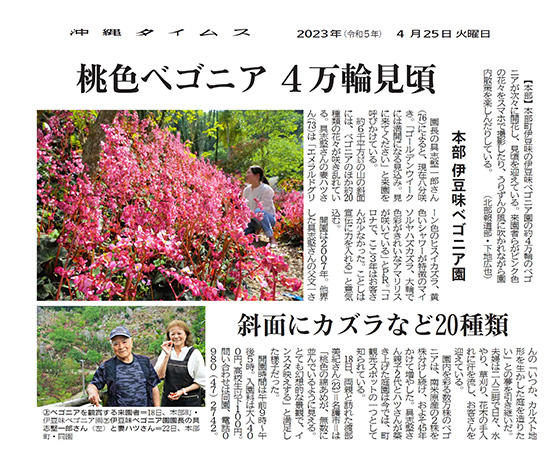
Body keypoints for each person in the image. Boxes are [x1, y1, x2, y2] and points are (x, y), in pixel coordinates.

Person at [87, 326, 161, 407]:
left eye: (124, 342)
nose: (121, 347)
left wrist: (157, 411)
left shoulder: (144, 362)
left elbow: (154, 387)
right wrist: (92, 392)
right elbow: (93, 385)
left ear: (131, 342)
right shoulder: (107, 366)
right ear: (112, 346)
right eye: (116, 344)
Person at [154, 320, 206, 407]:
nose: (176, 336)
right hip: (168, 403)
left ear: (186, 335)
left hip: (189, 403)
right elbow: (159, 376)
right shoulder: (166, 352)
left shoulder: (194, 354)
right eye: (172, 334)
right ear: (169, 336)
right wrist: (167, 355)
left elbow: (201, 381)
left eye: (179, 333)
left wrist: (182, 391)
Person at [243, 165, 278, 247]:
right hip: (252, 220)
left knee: (258, 211)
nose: (246, 175)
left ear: (257, 175)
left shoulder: (266, 189)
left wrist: (251, 214)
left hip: (268, 218)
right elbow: (244, 207)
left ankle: (272, 238)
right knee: (242, 233)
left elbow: (264, 209)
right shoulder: (246, 190)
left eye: (249, 173)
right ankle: (253, 232)